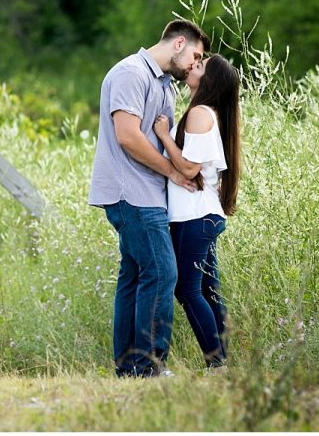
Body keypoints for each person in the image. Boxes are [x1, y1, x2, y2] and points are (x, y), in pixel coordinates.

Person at [89, 19, 210, 378]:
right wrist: (172, 172)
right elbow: (127, 135)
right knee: (161, 272)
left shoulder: (165, 85)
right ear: (178, 44)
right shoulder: (131, 73)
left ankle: (129, 368)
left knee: (135, 276)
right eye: (195, 55)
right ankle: (150, 367)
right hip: (132, 192)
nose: (195, 63)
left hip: (148, 194)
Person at [153, 54, 240, 369]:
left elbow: (189, 168)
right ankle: (223, 361)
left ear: (208, 81)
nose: (192, 66)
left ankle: (216, 362)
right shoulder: (203, 113)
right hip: (201, 215)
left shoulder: (200, 113)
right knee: (207, 288)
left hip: (195, 217)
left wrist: (163, 135)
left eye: (200, 66)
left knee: (187, 289)